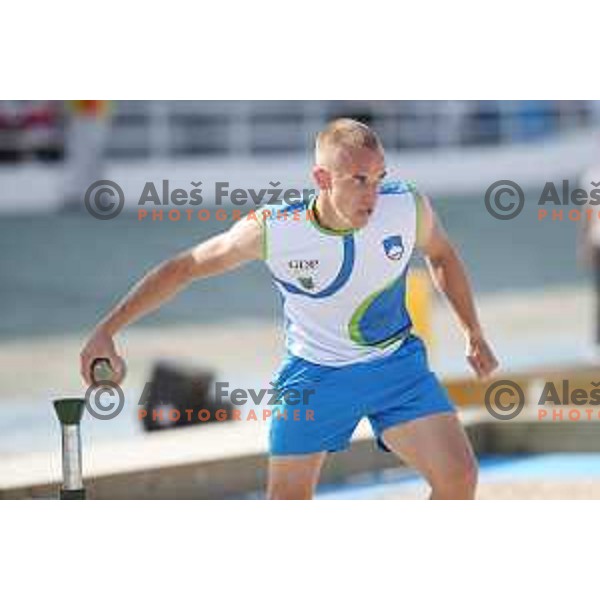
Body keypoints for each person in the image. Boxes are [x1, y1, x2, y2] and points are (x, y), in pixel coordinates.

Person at [80, 118, 499, 500]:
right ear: (322, 178)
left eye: (378, 179)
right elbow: (184, 268)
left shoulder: (406, 207)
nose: (372, 195)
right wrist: (107, 330)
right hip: (314, 378)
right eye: (357, 180)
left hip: (396, 367)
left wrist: (472, 331)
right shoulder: (276, 228)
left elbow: (441, 254)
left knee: (459, 478)